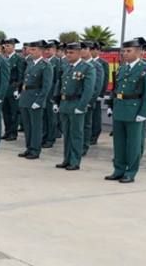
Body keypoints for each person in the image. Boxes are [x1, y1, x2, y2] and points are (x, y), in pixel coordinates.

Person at [105, 37, 146, 183]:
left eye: (128, 51)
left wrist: (143, 113)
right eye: (124, 51)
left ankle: (130, 172)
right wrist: (110, 105)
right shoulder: (122, 68)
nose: (125, 53)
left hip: (135, 111)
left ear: (139, 52)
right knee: (119, 143)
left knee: (133, 144)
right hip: (119, 109)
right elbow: (115, 89)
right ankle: (118, 170)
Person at [52, 42, 95, 170]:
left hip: (76, 104)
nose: (68, 55)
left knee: (76, 134)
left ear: (79, 53)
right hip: (65, 104)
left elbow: (88, 90)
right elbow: (60, 85)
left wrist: (81, 107)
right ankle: (67, 159)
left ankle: (75, 161)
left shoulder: (87, 67)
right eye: (67, 52)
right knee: (67, 134)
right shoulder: (66, 66)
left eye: (71, 53)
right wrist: (57, 102)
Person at [17, 40, 52, 159]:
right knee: (27, 126)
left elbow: (46, 86)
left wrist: (39, 101)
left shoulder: (46, 65)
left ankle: (35, 150)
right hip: (26, 97)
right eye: (30, 49)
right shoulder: (30, 63)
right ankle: (29, 147)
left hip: (35, 98)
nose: (30, 52)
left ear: (41, 51)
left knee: (36, 126)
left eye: (34, 50)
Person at [80, 41, 105, 156]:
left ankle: (84, 146)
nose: (81, 51)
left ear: (90, 50)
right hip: (76, 101)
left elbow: (97, 86)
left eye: (84, 49)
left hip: (87, 101)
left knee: (86, 125)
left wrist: (89, 101)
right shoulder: (79, 64)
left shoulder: (97, 66)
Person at [2, 38, 23, 141]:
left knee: (14, 112)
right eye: (5, 46)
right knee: (5, 112)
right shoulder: (4, 58)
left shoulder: (18, 59)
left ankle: (13, 133)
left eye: (9, 46)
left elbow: (20, 75)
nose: (6, 48)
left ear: (14, 47)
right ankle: (7, 131)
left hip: (13, 87)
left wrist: (17, 89)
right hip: (4, 88)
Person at [42, 40, 62, 149]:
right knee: (44, 117)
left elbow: (58, 81)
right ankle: (44, 136)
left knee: (51, 118)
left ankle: (51, 138)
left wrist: (55, 96)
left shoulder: (57, 62)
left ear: (54, 50)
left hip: (51, 95)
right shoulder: (44, 61)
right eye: (45, 49)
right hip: (44, 94)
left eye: (49, 49)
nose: (46, 51)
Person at [90, 43, 110, 144]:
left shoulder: (103, 63)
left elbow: (105, 80)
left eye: (92, 49)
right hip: (87, 94)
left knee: (95, 116)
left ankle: (94, 136)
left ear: (98, 50)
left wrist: (101, 94)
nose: (90, 51)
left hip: (97, 94)